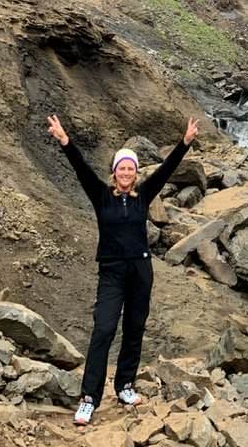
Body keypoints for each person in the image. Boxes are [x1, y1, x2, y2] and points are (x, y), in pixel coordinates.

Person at [46, 112, 199, 426]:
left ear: (136, 173)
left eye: (131, 168)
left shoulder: (143, 195)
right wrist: (65, 141)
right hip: (112, 272)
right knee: (103, 329)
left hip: (141, 270)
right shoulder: (101, 196)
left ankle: (125, 385)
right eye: (121, 168)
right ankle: (89, 398)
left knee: (134, 328)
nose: (126, 172)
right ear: (114, 173)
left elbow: (167, 170)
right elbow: (80, 168)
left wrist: (184, 143)